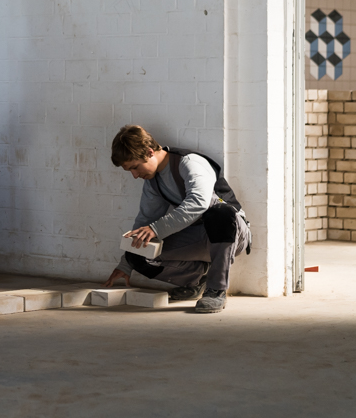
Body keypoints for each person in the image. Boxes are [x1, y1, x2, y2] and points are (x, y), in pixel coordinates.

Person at [102, 125, 251, 313]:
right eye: (129, 171)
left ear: (149, 153)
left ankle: (216, 290)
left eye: (135, 167)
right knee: (137, 255)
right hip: (198, 237)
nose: (134, 175)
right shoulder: (153, 182)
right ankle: (197, 280)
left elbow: (199, 203)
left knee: (220, 213)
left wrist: (156, 229)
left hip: (232, 233)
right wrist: (126, 264)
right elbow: (145, 221)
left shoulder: (189, 163)